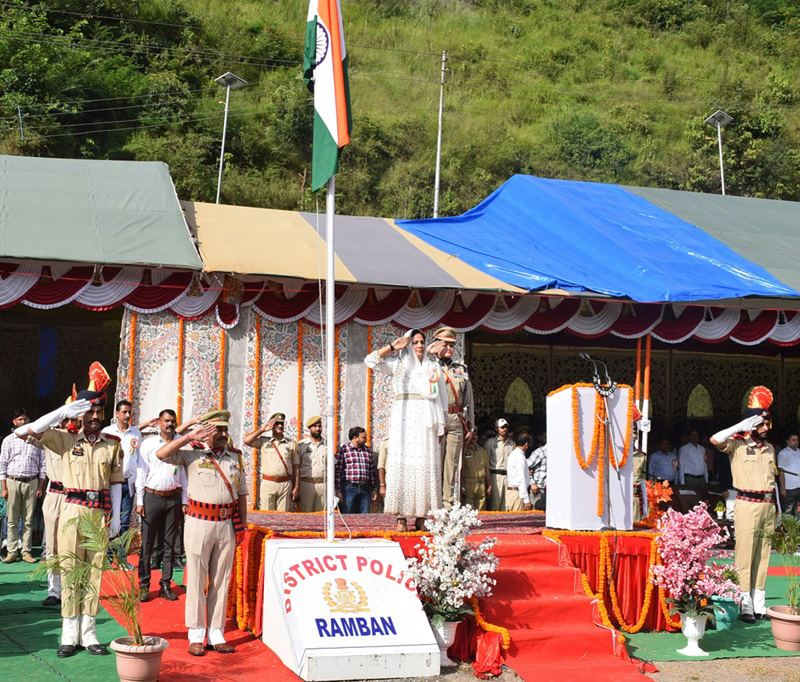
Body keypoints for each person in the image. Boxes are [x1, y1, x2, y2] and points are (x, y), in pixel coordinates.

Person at [17, 362, 123, 657]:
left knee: (93, 574)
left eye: (98, 412)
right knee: (70, 571)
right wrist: (62, 413)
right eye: (88, 412)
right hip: (72, 511)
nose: (93, 417)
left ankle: (88, 634)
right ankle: (68, 633)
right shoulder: (64, 439)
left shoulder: (112, 444)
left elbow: (115, 481)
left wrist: (114, 520)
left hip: (98, 514)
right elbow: (25, 431)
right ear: (79, 415)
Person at [155, 410, 247, 656]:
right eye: (218, 430)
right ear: (206, 431)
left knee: (221, 579)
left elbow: (242, 495)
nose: (224, 435)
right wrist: (188, 437)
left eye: (226, 430)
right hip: (198, 522)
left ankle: (216, 632)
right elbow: (161, 454)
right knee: (196, 579)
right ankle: (196, 633)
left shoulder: (235, 457)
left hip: (227, 524)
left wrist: (243, 528)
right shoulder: (191, 453)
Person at [365, 329, 447, 532]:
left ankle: (421, 516)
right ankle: (401, 516)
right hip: (405, 417)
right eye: (415, 342)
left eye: (422, 342)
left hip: (427, 420)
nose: (419, 346)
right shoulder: (399, 365)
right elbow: (370, 360)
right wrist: (392, 347)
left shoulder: (432, 365)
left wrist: (442, 424)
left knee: (424, 462)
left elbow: (442, 396)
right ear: (408, 345)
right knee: (404, 463)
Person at [710, 386, 777, 623]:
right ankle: (745, 604)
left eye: (767, 424)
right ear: (751, 424)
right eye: (762, 424)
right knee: (745, 556)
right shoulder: (737, 444)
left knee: (764, 556)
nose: (766, 429)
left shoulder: (770, 447)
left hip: (768, 506)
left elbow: (772, 481)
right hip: (747, 504)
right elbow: (716, 439)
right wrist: (741, 427)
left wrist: (776, 507)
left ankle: (760, 605)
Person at [136, 409, 188, 603]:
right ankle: (144, 585)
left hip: (173, 498)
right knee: (147, 543)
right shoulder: (149, 444)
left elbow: (184, 474)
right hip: (152, 497)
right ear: (158, 422)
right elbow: (141, 473)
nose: (170, 424)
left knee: (170, 544)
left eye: (173, 421)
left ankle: (165, 584)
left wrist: (184, 500)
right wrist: (140, 501)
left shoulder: (181, 443)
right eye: (166, 421)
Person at [430, 326, 475, 510]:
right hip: (436, 418)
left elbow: (469, 399)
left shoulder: (461, 369)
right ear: (436, 345)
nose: (449, 348)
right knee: (435, 462)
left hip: (456, 419)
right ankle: (434, 503)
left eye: (452, 345)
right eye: (445, 344)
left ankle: (447, 505)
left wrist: (471, 427)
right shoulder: (429, 367)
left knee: (452, 464)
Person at [41, 409, 77, 606]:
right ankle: (54, 591)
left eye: (74, 419)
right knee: (52, 546)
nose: (70, 423)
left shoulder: (81, 439)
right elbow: (31, 430)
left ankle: (71, 589)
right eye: (67, 419)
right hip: (55, 494)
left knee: (72, 544)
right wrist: (58, 414)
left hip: (75, 496)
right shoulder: (51, 437)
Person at [1, 408, 46, 564]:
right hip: (12, 481)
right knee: (12, 519)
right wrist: (4, 487)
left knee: (28, 520)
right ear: (15, 422)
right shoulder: (8, 440)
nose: (23, 422)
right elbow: (3, 464)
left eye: (26, 419)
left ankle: (26, 551)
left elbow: (43, 465)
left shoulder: (36, 440)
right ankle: (12, 551)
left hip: (31, 482)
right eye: (20, 419)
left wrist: (40, 486)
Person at [243, 413, 294, 511]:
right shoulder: (264, 441)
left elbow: (295, 466)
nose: (279, 426)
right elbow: (246, 440)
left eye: (281, 424)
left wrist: (295, 487)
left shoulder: (291, 443)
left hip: (285, 483)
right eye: (276, 423)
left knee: (283, 518)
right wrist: (262, 430)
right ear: (271, 426)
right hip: (268, 483)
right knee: (266, 515)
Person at [334, 427, 378, 514]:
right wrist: (338, 491)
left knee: (364, 517)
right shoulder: (344, 450)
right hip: (348, 489)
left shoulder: (367, 451)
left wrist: (374, 489)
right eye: (363, 437)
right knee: (347, 516)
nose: (366, 439)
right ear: (355, 438)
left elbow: (372, 472)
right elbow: (338, 472)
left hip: (364, 489)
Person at [292, 416, 328, 512]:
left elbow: (332, 467)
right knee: (306, 516)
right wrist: (296, 487)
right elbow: (296, 467)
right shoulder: (301, 445)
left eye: (319, 426)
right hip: (307, 484)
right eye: (315, 426)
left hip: (323, 484)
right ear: (309, 428)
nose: (317, 428)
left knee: (322, 516)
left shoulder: (328, 445)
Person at [484, 418, 515, 511]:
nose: (504, 429)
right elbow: (486, 463)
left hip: (508, 475)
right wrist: (488, 483)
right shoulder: (490, 443)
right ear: (496, 428)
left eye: (506, 427)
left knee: (507, 505)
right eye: (502, 427)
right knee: (495, 503)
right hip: (495, 475)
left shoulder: (512, 444)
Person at [461, 439, 490, 511]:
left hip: (481, 484)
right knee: (468, 511)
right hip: (468, 483)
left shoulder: (482, 451)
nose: (474, 436)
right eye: (473, 434)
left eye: (476, 434)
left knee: (482, 512)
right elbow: (460, 469)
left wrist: (489, 485)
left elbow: (486, 469)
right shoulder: (463, 450)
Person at [506, 434, 533, 512]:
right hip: (517, 494)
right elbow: (521, 479)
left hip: (513, 492)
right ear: (526, 444)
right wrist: (526, 500)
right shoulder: (519, 456)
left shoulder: (514, 454)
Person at [778, 431, 800, 519]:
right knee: (788, 510)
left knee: (798, 510)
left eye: (797, 440)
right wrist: (783, 488)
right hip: (789, 487)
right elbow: (781, 472)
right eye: (793, 440)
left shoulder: (799, 451)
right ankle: (788, 532)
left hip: (799, 486)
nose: (796, 442)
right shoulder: (783, 453)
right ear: (788, 441)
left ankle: (797, 531)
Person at [526, 430, 547, 511]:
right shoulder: (540, 452)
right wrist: (532, 483)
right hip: (538, 489)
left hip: (552, 491)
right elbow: (525, 467)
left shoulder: (559, 452)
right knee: (535, 516)